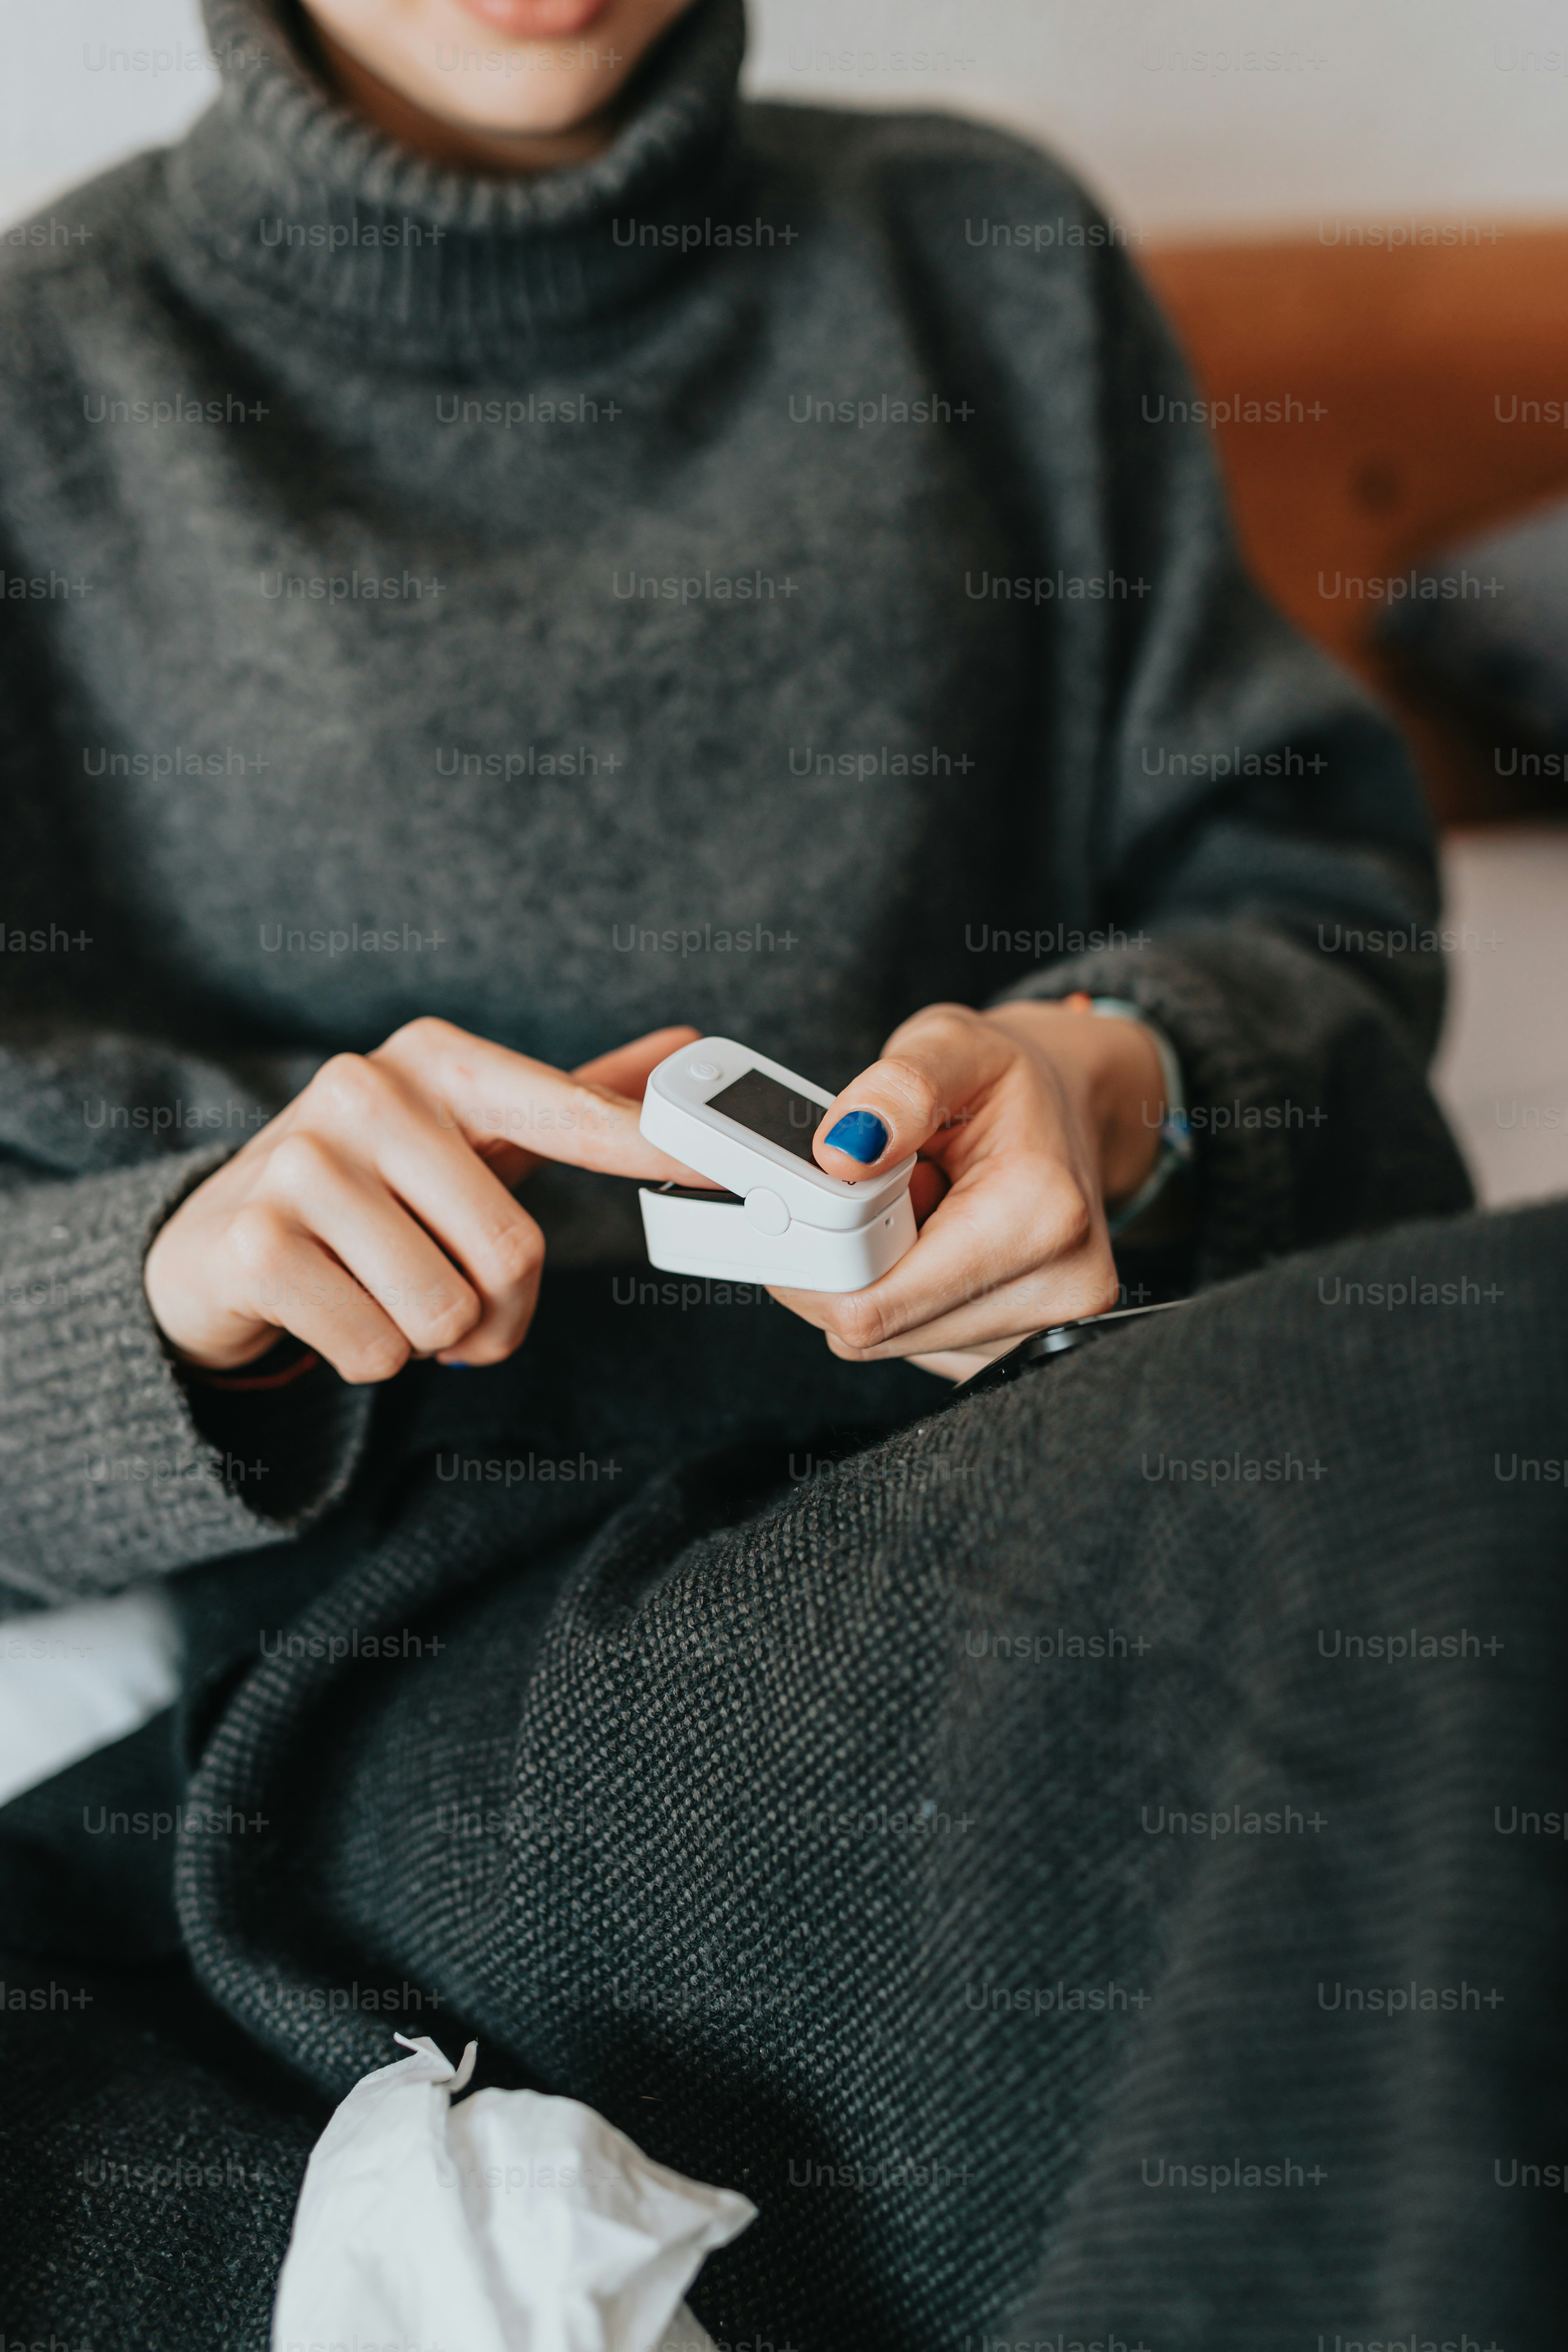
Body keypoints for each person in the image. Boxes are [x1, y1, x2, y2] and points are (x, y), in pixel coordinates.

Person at [5, 2, 1555, 2348]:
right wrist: (174, 1290)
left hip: (1071, 1446)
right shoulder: (45, 395)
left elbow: (1320, 926)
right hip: (451, 1679)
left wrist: (1124, 1074)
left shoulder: (982, 257)